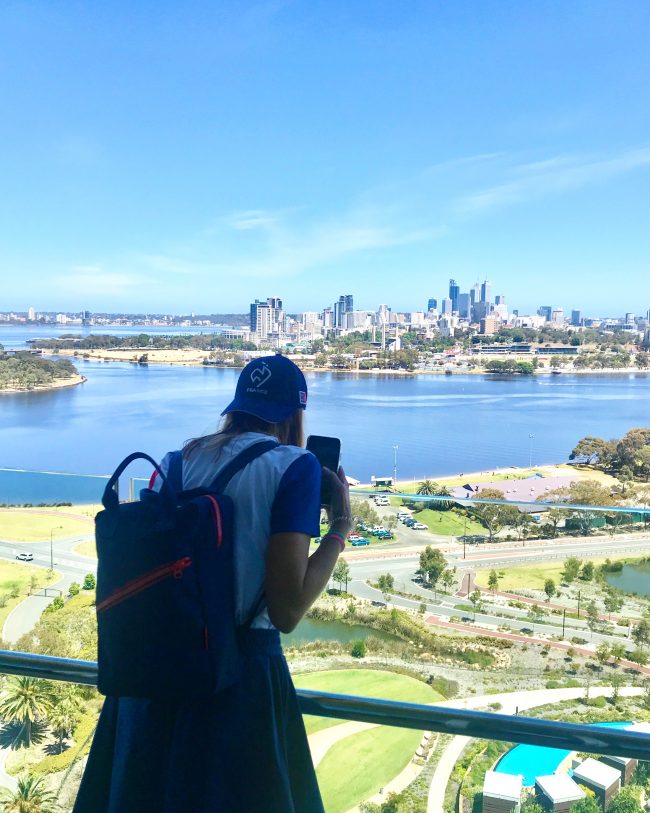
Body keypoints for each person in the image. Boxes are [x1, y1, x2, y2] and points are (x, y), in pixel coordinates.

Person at [73, 354, 351, 813]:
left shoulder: (176, 461)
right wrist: (340, 525)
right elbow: (286, 611)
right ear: (296, 413)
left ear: (236, 406)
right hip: (240, 679)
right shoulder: (296, 467)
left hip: (158, 673)